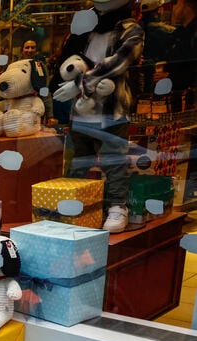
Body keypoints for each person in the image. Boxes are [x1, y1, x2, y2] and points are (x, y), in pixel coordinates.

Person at [54, 0, 143, 233]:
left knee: (113, 160)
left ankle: (117, 206)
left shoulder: (131, 30)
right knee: (76, 162)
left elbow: (117, 63)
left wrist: (79, 85)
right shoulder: (85, 25)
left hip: (110, 108)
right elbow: (70, 58)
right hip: (81, 110)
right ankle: (74, 203)